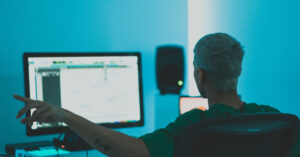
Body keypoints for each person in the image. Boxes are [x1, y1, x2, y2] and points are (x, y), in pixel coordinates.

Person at [14, 33, 300, 157]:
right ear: (238, 72)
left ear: (199, 75)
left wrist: (64, 115)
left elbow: (133, 152)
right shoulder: (275, 120)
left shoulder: (197, 126)